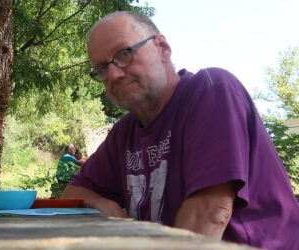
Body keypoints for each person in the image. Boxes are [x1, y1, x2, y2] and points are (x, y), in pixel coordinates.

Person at [62, 11, 299, 249]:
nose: (113, 74)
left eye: (124, 54)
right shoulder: (124, 134)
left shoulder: (211, 90)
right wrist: (103, 204)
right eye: (102, 68)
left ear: (162, 48)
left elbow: (210, 215)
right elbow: (72, 193)